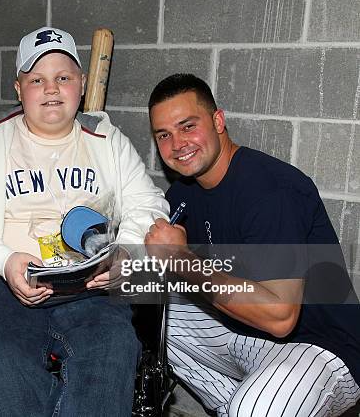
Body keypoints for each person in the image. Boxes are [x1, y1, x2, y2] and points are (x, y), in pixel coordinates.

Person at [0, 27, 169, 416]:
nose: (51, 88)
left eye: (63, 77)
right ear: (19, 89)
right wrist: (1, 257)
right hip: (1, 283)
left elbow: (148, 202)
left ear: (82, 85)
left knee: (113, 346)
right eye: (37, 79)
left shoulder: (106, 139)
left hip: (89, 284)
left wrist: (125, 250)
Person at [144, 73, 360, 416]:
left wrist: (181, 260)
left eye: (188, 126)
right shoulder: (183, 193)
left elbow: (280, 317)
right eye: (164, 135)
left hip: (322, 348)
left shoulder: (271, 189)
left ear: (218, 121)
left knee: (256, 409)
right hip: (251, 336)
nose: (177, 143)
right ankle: (237, 407)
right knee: (144, 311)